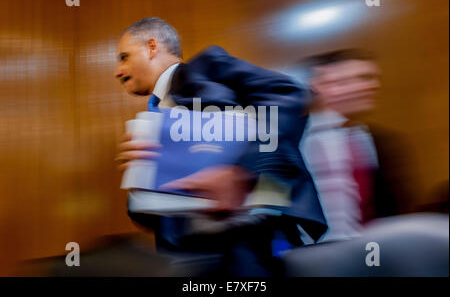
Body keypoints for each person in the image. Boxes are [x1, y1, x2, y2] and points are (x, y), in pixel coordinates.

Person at [114, 17, 326, 275]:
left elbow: (289, 94)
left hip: (251, 250)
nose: (119, 71)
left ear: (151, 47)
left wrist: (242, 171)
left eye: (124, 57)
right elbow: (154, 217)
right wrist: (141, 184)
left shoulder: (208, 69)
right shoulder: (153, 123)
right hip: (190, 258)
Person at [298, 49, 414, 243]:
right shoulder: (291, 142)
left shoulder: (384, 142)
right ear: (322, 85)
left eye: (372, 78)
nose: (373, 86)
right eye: (361, 78)